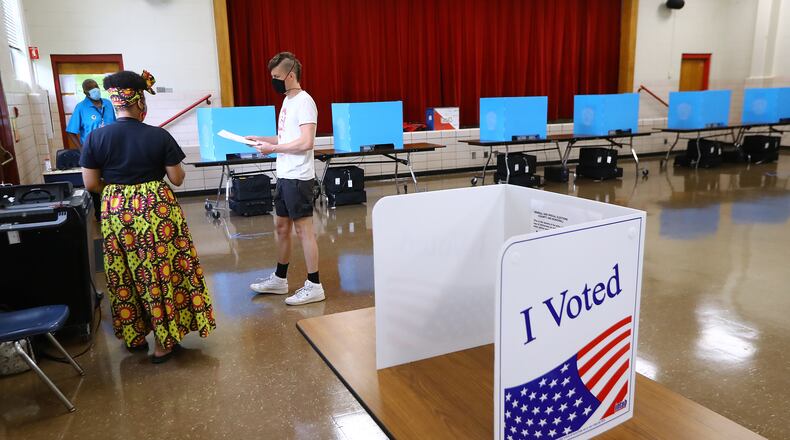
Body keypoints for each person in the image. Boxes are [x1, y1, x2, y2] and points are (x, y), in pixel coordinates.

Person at [80, 70, 216, 363]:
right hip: (155, 210)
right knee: (158, 271)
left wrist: (118, 192)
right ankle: (163, 343)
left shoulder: (95, 138)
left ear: (114, 103)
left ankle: (135, 335)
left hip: (116, 210)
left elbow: (90, 184)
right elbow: (177, 178)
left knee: (123, 271)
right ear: (140, 103)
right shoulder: (159, 136)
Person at [246, 52, 325, 306]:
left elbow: (306, 142)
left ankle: (314, 285)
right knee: (281, 228)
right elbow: (286, 138)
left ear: (291, 75)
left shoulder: (304, 101)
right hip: (284, 175)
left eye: (277, 77)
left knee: (304, 231)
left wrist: (273, 150)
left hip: (298, 178)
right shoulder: (287, 101)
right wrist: (263, 140)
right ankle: (280, 280)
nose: (274, 81)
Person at [66, 79, 116, 148]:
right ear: (85, 93)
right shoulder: (81, 107)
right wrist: (82, 151)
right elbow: (71, 132)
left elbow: (114, 125)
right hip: (92, 149)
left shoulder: (108, 103)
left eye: (96, 87)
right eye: (90, 89)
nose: (95, 90)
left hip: (111, 147)